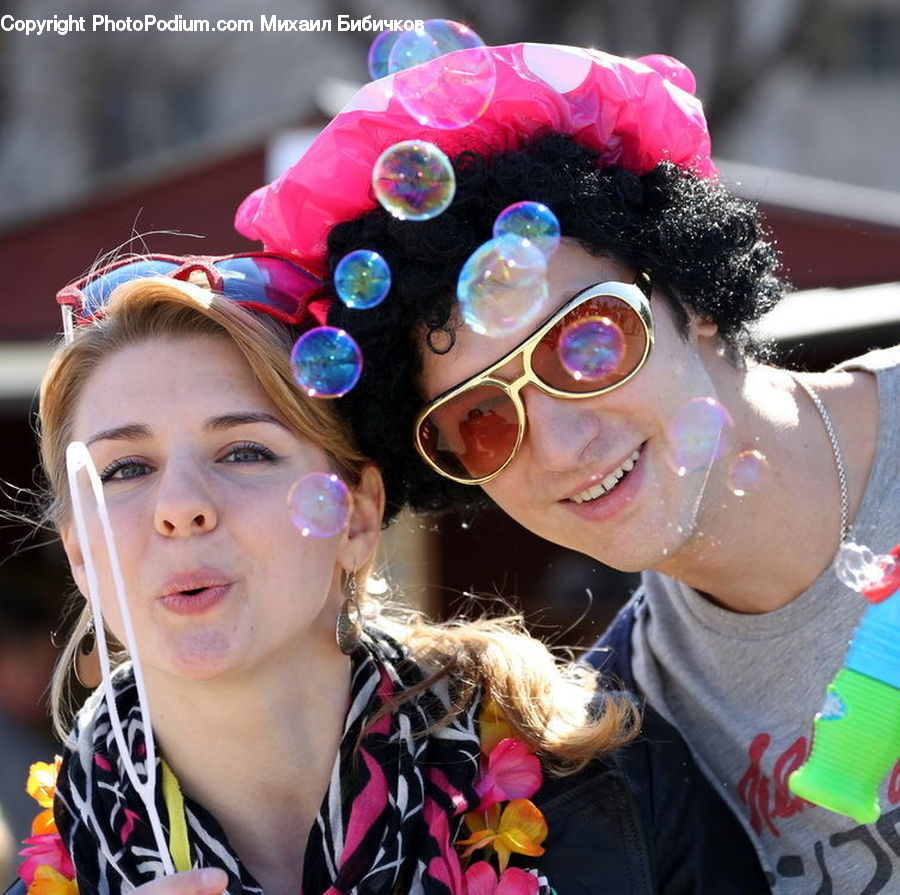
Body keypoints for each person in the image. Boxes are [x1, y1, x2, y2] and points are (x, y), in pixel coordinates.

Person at [234, 40, 900, 892]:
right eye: (479, 420)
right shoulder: (621, 736)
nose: (558, 444)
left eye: (586, 345)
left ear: (687, 292)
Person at [4, 252, 767, 895]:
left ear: (358, 517)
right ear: (79, 548)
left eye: (243, 451)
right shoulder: (52, 875)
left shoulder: (611, 794)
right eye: (126, 468)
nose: (180, 507)